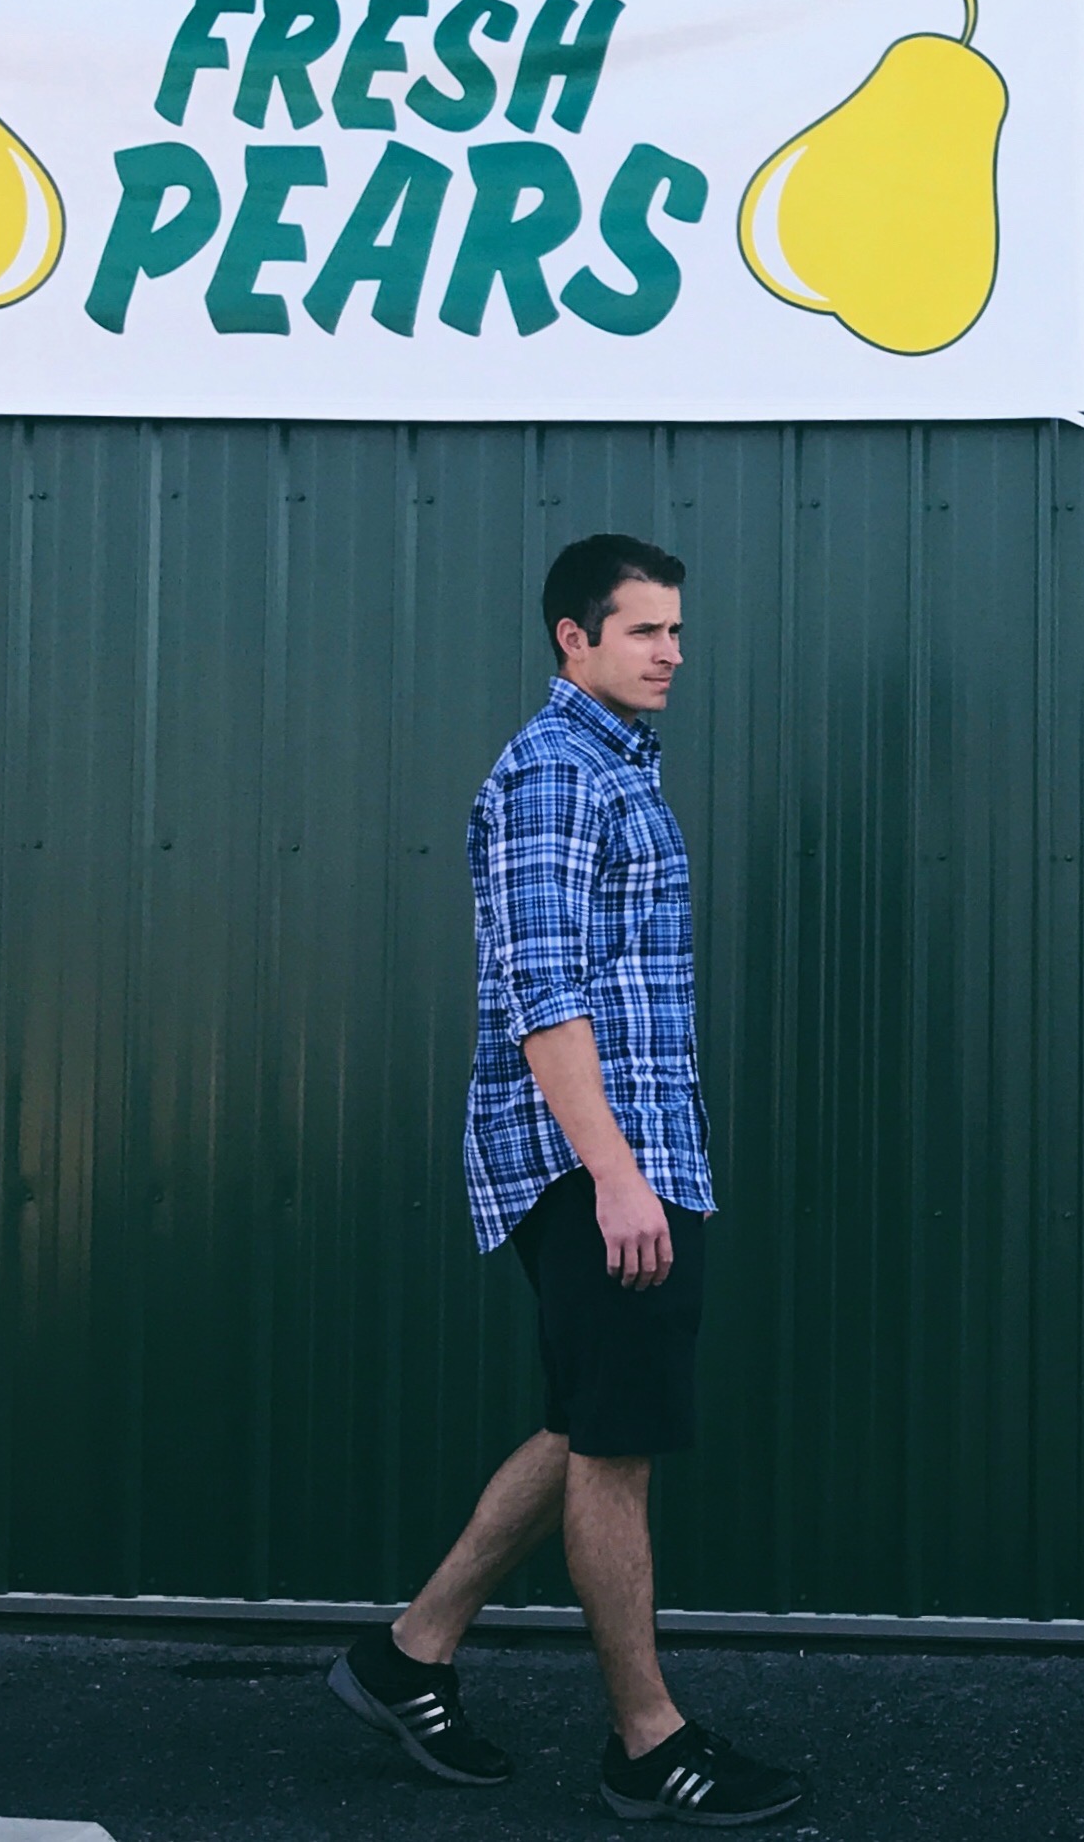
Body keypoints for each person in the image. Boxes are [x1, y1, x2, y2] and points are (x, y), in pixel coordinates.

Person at [328, 531, 805, 1828]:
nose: (672, 652)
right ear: (572, 638)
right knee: (618, 1443)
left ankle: (406, 1654)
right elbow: (546, 996)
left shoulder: (608, 768)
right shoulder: (552, 772)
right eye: (645, 629)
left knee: (592, 1413)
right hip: (594, 1156)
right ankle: (645, 1744)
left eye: (677, 629)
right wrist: (615, 1175)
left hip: (635, 1147)